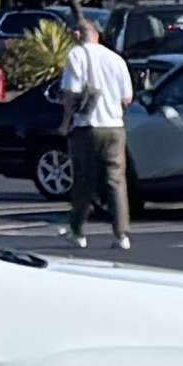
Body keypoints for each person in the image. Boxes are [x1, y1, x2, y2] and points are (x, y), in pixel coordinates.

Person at [58, 23, 135, 247]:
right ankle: (122, 235)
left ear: (77, 34)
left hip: (88, 126)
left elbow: (72, 93)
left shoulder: (77, 55)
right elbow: (127, 98)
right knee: (116, 180)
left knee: (84, 180)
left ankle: (78, 230)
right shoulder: (116, 59)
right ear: (97, 36)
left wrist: (65, 123)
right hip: (115, 127)